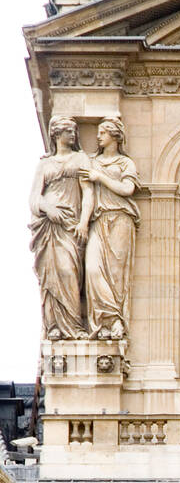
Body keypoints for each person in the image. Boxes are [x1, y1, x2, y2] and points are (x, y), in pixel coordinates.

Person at [28, 116, 92, 339]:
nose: (73, 134)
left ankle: (73, 325)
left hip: (70, 225)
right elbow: (35, 198)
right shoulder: (45, 164)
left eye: (74, 131)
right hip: (49, 224)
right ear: (56, 135)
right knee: (51, 276)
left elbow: (88, 194)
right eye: (68, 131)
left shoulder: (81, 158)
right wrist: (48, 208)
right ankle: (55, 326)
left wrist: (84, 222)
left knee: (68, 272)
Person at [79, 117, 140, 341]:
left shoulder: (125, 163)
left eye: (103, 132)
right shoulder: (92, 161)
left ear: (115, 136)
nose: (98, 136)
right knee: (93, 270)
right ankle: (104, 320)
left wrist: (101, 177)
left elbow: (127, 188)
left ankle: (113, 323)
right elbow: (88, 195)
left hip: (121, 218)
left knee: (115, 276)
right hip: (99, 219)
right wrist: (83, 223)